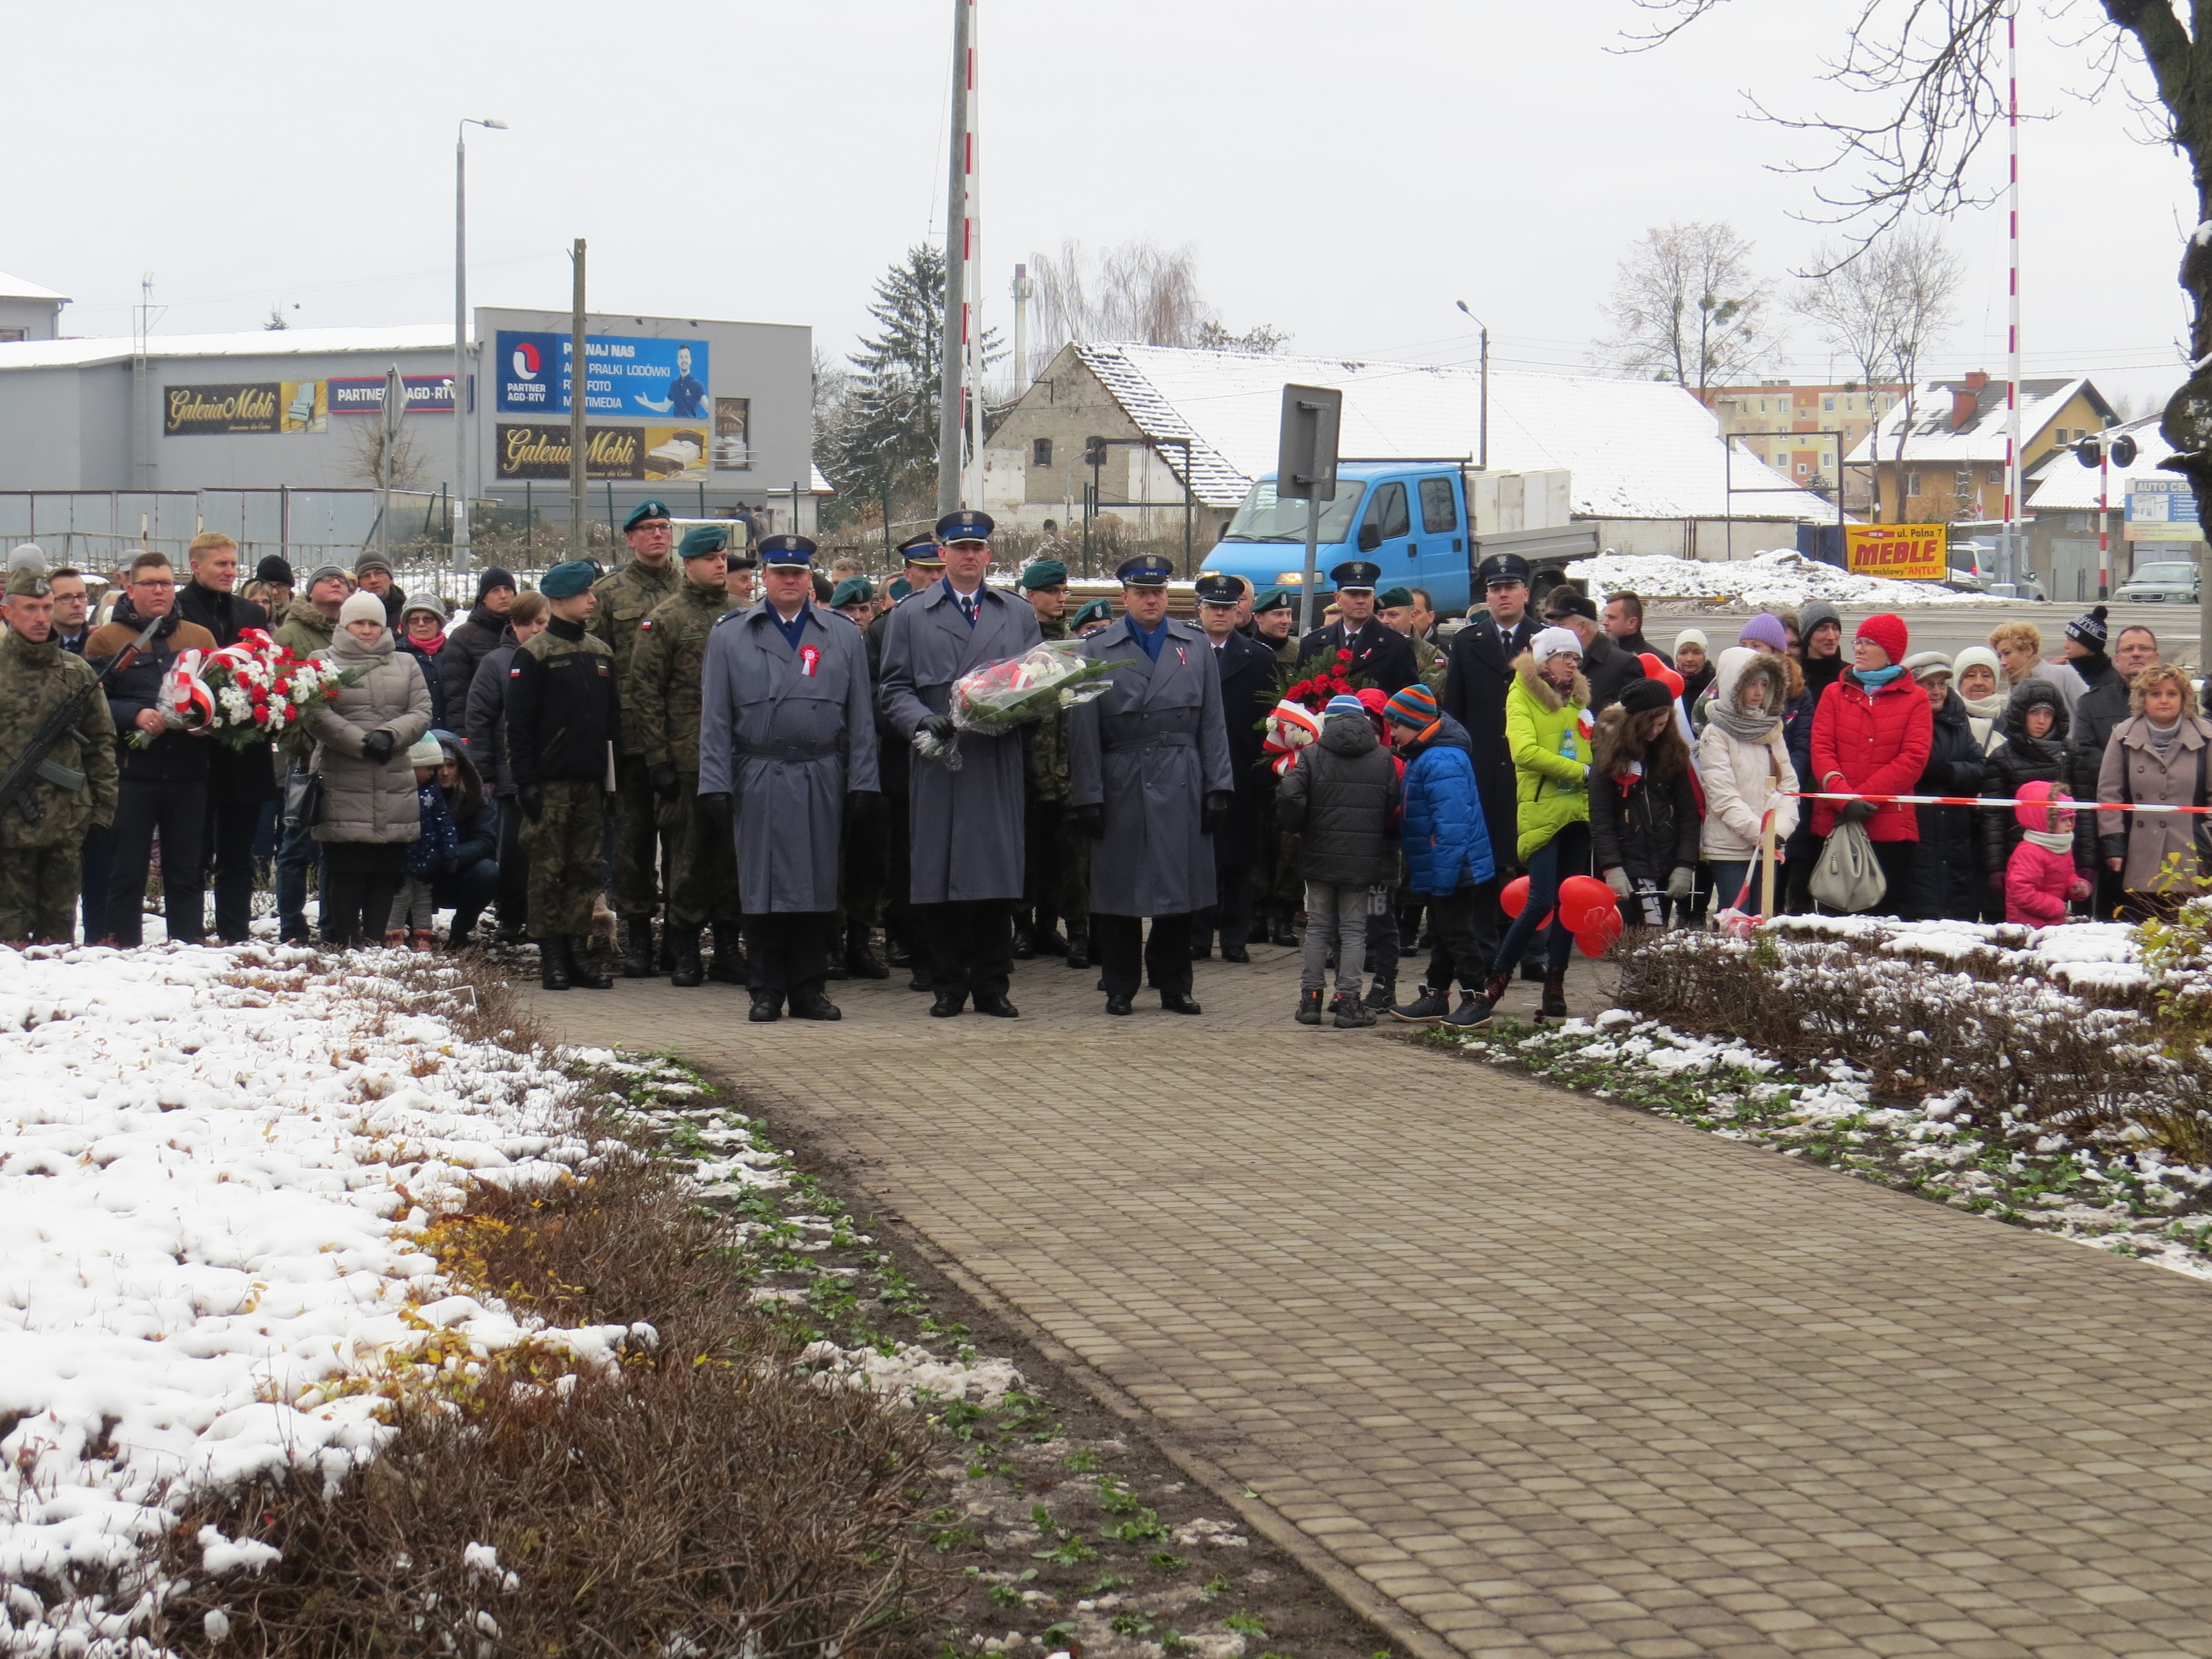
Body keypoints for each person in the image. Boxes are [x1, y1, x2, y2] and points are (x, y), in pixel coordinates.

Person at [698, 534, 879, 1021]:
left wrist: (864, 779)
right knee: (761, 887)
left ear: (810, 579)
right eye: (780, 573)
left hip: (821, 773)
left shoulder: (842, 634)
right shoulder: (731, 633)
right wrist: (714, 781)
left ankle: (809, 989)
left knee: (818, 887)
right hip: (758, 772)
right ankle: (765, 989)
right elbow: (715, 716)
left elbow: (861, 715)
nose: (790, 581)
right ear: (765, 577)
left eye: (798, 573)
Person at [878, 511, 1042, 1015]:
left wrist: (1023, 713)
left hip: (995, 759)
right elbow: (893, 688)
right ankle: (948, 984)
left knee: (995, 878)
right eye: (959, 548)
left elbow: (1041, 677)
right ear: (942, 554)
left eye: (978, 548)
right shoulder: (910, 615)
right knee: (940, 874)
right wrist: (922, 721)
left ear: (989, 556)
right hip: (939, 760)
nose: (969, 556)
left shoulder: (1015, 613)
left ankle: (993, 986)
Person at [1067, 553, 1235, 1017]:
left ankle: (1174, 984)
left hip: (1182, 774)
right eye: (1141, 592)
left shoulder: (1194, 644)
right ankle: (1120, 985)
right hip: (1121, 775)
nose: (1151, 600)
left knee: (1178, 890)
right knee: (1121, 890)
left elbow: (1213, 722)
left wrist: (1218, 785)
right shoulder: (1097, 649)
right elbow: (1082, 729)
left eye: (1158, 592)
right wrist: (1088, 794)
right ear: (1125, 598)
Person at [628, 525, 747, 988]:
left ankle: (728, 948)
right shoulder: (666, 619)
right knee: (687, 859)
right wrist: (658, 760)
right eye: (711, 558)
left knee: (732, 858)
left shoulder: (743, 616)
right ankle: (684, 950)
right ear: (689, 564)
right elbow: (645, 692)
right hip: (686, 758)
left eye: (723, 557)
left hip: (736, 759)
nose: (722, 564)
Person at [89, 553, 218, 947]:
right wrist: (136, 714)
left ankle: (187, 947)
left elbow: (223, 696)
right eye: (150, 583)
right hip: (133, 774)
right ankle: (123, 944)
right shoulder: (107, 639)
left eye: (166, 582)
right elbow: (92, 705)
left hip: (189, 773)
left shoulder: (200, 637)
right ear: (130, 588)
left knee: (186, 871)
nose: (160, 589)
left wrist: (204, 721)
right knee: (127, 871)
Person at [506, 560, 619, 991]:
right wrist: (526, 781)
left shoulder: (600, 652)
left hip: (591, 781)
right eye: (582, 594)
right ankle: (551, 955)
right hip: (550, 784)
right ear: (558, 600)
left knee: (585, 871)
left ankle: (578, 953)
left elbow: (611, 724)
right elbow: (518, 725)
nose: (592, 600)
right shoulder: (534, 653)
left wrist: (613, 781)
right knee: (547, 871)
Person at [1468, 627, 1591, 1021]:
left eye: (1577, 659)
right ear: (1546, 660)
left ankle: (1555, 983)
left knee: (1570, 900)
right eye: (1567, 657)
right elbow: (1524, 752)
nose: (1574, 665)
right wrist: (1582, 772)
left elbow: (1593, 748)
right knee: (1540, 901)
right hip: (1542, 810)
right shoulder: (1522, 693)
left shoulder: (1580, 699)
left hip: (1579, 811)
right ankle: (1496, 983)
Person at [306, 590, 433, 948]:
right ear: (345, 624)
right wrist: (361, 742)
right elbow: (316, 714)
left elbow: (422, 712)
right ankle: (342, 943)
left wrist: (389, 736)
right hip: (342, 781)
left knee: (384, 873)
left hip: (393, 781)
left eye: (373, 623)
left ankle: (376, 944)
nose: (366, 630)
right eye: (359, 622)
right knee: (346, 872)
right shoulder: (322, 661)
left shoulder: (405, 663)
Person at [590, 499, 684, 975]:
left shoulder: (690, 587)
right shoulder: (608, 594)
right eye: (646, 528)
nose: (657, 535)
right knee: (633, 841)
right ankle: (640, 935)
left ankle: (679, 937)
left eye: (663, 527)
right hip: (630, 740)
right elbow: (596, 665)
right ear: (630, 538)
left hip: (683, 734)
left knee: (683, 842)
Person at [0, 567, 118, 944]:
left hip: (65, 826)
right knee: (9, 942)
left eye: (47, 607)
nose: (40, 617)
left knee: (59, 941)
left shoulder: (77, 673)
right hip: (7, 832)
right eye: (31, 608)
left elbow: (101, 744)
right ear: (8, 612)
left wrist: (102, 811)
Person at [174, 531, 276, 945]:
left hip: (245, 752)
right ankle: (189, 934)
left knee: (238, 853)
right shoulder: (178, 610)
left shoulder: (249, 611)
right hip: (194, 751)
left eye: (234, 564)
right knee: (194, 853)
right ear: (196, 566)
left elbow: (268, 666)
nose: (230, 572)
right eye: (221, 564)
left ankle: (235, 934)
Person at [1276, 693, 1400, 1027]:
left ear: (1327, 722)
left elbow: (1289, 794)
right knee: (1355, 930)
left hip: (1318, 854)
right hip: (1362, 860)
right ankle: (1348, 1003)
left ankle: (1310, 1001)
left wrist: (1298, 826)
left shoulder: (1312, 756)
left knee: (1317, 928)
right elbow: (1392, 803)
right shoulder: (1383, 756)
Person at [1381, 683, 1499, 1029]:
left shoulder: (1441, 759)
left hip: (1452, 863)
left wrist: (1444, 875)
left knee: (1456, 931)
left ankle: (1478, 997)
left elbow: (1452, 824)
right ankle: (1436, 993)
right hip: (1442, 862)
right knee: (1442, 929)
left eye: (1396, 725)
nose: (1392, 733)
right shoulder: (1428, 754)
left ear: (1416, 723)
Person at [865, 534, 951, 985]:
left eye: (940, 570)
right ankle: (916, 946)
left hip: (963, 760)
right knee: (910, 859)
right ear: (908, 575)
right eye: (927, 572)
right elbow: (877, 699)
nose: (934, 578)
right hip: (907, 763)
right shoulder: (887, 626)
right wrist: (916, 727)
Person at [1808, 613, 1933, 915]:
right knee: (1832, 920)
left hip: (1888, 827)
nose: (1859, 649)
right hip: (1835, 824)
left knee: (1882, 920)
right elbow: (1821, 749)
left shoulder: (1915, 698)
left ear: (1890, 652)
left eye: (1869, 643)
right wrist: (1843, 798)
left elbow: (1913, 758)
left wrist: (1863, 798)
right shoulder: (1834, 693)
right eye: (1858, 642)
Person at [1441, 552, 1543, 904]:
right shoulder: (1467, 642)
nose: (1503, 595)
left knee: (1529, 853)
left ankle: (1528, 929)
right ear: (1486, 597)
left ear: (1525, 594)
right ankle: (1489, 927)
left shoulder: (1544, 641)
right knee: (1485, 856)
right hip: (1482, 765)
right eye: (1496, 588)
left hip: (1530, 765)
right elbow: (1454, 709)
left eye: (1511, 587)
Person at [1190, 572, 1277, 963]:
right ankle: (1196, 935)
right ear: (1200, 610)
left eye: (1228, 607)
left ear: (1239, 609)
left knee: (1238, 859)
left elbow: (1269, 718)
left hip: (1241, 767)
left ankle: (1234, 937)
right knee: (1198, 857)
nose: (1221, 614)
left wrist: (1264, 772)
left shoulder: (1259, 657)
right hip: (1192, 769)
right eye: (1213, 607)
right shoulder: (1184, 651)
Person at [2096, 662, 2212, 921]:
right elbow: (2109, 794)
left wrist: (2208, 841)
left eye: (2172, 694)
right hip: (2139, 855)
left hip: (2192, 856)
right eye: (2155, 694)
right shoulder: (2122, 736)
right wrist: (2114, 845)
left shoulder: (2207, 738)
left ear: (2184, 699)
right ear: (2142, 698)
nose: (2164, 700)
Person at [465, 590, 548, 944]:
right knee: (514, 851)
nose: (538, 630)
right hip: (511, 775)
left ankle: (546, 916)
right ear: (514, 624)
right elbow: (480, 719)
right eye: (531, 624)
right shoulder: (496, 663)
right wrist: (485, 771)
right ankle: (512, 915)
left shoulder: (554, 654)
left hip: (552, 771)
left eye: (543, 623)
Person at [1588, 677, 1700, 928]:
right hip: (1629, 863)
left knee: (1655, 936)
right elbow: (1601, 820)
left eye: (1662, 724)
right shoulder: (1609, 758)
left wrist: (1685, 864)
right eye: (1650, 724)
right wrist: (1612, 867)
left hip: (1666, 861)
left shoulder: (1672, 753)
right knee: (1640, 936)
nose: (1655, 731)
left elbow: (1688, 815)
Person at [1696, 648, 1798, 914]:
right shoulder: (1716, 733)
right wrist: (1760, 833)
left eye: (1764, 684)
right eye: (1751, 683)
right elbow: (1723, 796)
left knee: (1764, 921)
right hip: (1730, 848)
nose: (1758, 692)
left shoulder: (1771, 730)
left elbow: (1788, 787)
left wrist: (1780, 831)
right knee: (1737, 922)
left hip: (1769, 844)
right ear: (1734, 685)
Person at [2069, 622, 2159, 917]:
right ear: (2116, 659)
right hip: (2114, 829)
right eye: (2128, 649)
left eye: (2143, 648)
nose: (2136, 654)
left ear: (2156, 657)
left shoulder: (2175, 702)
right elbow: (2083, 756)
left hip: (2166, 831)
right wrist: (2138, 772)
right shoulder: (2092, 704)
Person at [1015, 558, 1074, 962]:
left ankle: (1048, 926)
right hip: (1025, 766)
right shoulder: (1019, 642)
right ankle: (1021, 928)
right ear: (1031, 595)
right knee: (1024, 851)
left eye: (1063, 591)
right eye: (1052, 592)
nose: (1060, 598)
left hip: (1065, 765)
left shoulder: (1072, 643)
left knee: (1060, 852)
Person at [1902, 653, 1988, 922]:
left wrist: (1949, 772)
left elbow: (1980, 767)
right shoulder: (1904, 720)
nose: (1937, 691)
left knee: (1957, 912)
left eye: (1942, 684)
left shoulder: (1958, 721)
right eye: (1929, 684)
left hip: (1955, 830)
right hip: (1916, 827)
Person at [1980, 679, 2077, 916]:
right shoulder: (2001, 757)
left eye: (2048, 714)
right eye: (2035, 713)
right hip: (2019, 856)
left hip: (2063, 855)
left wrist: (2086, 864)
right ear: (2021, 715)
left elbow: (2082, 811)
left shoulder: (2071, 754)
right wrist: (1995, 866)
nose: (2042, 721)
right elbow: (1993, 815)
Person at [1296, 560, 1417, 694]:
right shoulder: (1312, 643)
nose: (1360, 601)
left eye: (1366, 595)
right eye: (1353, 594)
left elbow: (1407, 701)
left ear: (1374, 598)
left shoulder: (1397, 645)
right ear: (1338, 598)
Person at [386, 736, 458, 950]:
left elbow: (444, 822)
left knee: (423, 899)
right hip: (401, 857)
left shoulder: (433, 792)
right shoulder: (397, 791)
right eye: (428, 768)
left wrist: (450, 851)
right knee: (400, 897)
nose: (432, 773)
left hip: (427, 857)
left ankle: (423, 935)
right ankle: (393, 933)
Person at [1541, 588, 1644, 713]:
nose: (1554, 631)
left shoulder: (1623, 665)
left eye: (1560, 624)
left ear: (1582, 627)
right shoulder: (1552, 660)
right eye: (1552, 626)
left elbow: (1636, 719)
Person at [2006, 782, 2091, 927]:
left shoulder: (2061, 846)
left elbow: (2065, 876)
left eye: (2071, 818)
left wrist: (2075, 885)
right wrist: (2057, 907)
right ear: (2046, 821)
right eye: (2063, 819)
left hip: (2051, 920)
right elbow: (2022, 893)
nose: (2070, 824)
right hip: (2027, 924)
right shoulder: (2029, 852)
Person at [439, 566, 516, 715]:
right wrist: (462, 735)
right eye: (495, 591)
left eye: (508, 589)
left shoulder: (527, 631)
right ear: (483, 598)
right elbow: (457, 695)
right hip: (481, 724)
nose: (503, 595)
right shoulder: (463, 637)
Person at [397, 594, 452, 732]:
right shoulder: (397, 654)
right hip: (412, 733)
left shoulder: (455, 652)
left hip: (451, 732)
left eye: (428, 619)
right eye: (414, 620)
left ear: (439, 622)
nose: (421, 624)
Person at [1378, 585, 1446, 691]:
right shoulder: (1369, 649)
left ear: (1412, 617)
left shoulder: (1431, 656)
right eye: (1380, 615)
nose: (1385, 621)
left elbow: (1433, 696)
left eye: (1393, 615)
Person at [1953, 646, 2009, 753]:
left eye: (1986, 676)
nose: (1979, 682)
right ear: (1959, 682)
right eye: (1971, 676)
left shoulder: (2010, 722)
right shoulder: (1946, 719)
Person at [1602, 590, 1669, 668]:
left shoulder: (1659, 661)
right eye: (1606, 616)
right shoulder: (1602, 655)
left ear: (1632, 623)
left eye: (1612, 618)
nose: (1605, 622)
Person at [1797, 601, 1846, 706]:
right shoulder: (1795, 676)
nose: (1831, 637)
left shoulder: (1850, 676)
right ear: (1807, 636)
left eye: (1835, 628)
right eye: (1823, 629)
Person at [353, 552, 406, 628]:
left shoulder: (407, 614)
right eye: (366, 576)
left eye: (379, 573)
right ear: (359, 584)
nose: (373, 580)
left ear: (390, 579)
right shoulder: (352, 614)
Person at [48, 568, 92, 657]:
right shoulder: (38, 647)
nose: (77, 604)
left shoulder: (100, 645)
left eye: (81, 596)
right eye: (66, 598)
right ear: (49, 603)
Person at [1251, 588, 1298, 666]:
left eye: (1289, 614)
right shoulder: (1244, 652)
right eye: (1279, 614)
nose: (1286, 621)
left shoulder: (1298, 653)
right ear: (1258, 617)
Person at [1674, 630, 1714, 711]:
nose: (1689, 659)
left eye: (1696, 653)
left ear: (1704, 657)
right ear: (1676, 657)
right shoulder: (1669, 685)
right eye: (1683, 653)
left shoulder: (1715, 684)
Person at [253, 554, 294, 620]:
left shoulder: (300, 618)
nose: (274, 592)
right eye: (268, 586)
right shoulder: (248, 614)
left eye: (280, 586)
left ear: (289, 588)